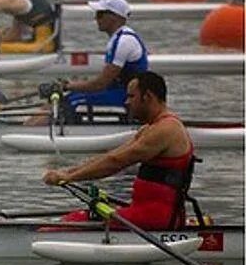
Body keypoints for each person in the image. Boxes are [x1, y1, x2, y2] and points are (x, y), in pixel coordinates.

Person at [43, 71, 196, 231]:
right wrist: (66, 172)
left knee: (74, 220)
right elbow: (111, 156)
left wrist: (70, 178)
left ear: (148, 96)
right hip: (144, 212)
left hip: (156, 217)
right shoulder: (150, 128)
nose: (126, 102)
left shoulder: (166, 129)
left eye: (131, 96)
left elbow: (116, 163)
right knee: (81, 216)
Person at [28, 0, 148, 126]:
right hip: (116, 91)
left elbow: (100, 84)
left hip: (125, 96)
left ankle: (32, 131)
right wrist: (69, 86)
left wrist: (66, 86)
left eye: (100, 14)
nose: (96, 18)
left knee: (68, 102)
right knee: (59, 99)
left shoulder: (124, 42)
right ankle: (27, 129)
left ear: (114, 17)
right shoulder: (117, 39)